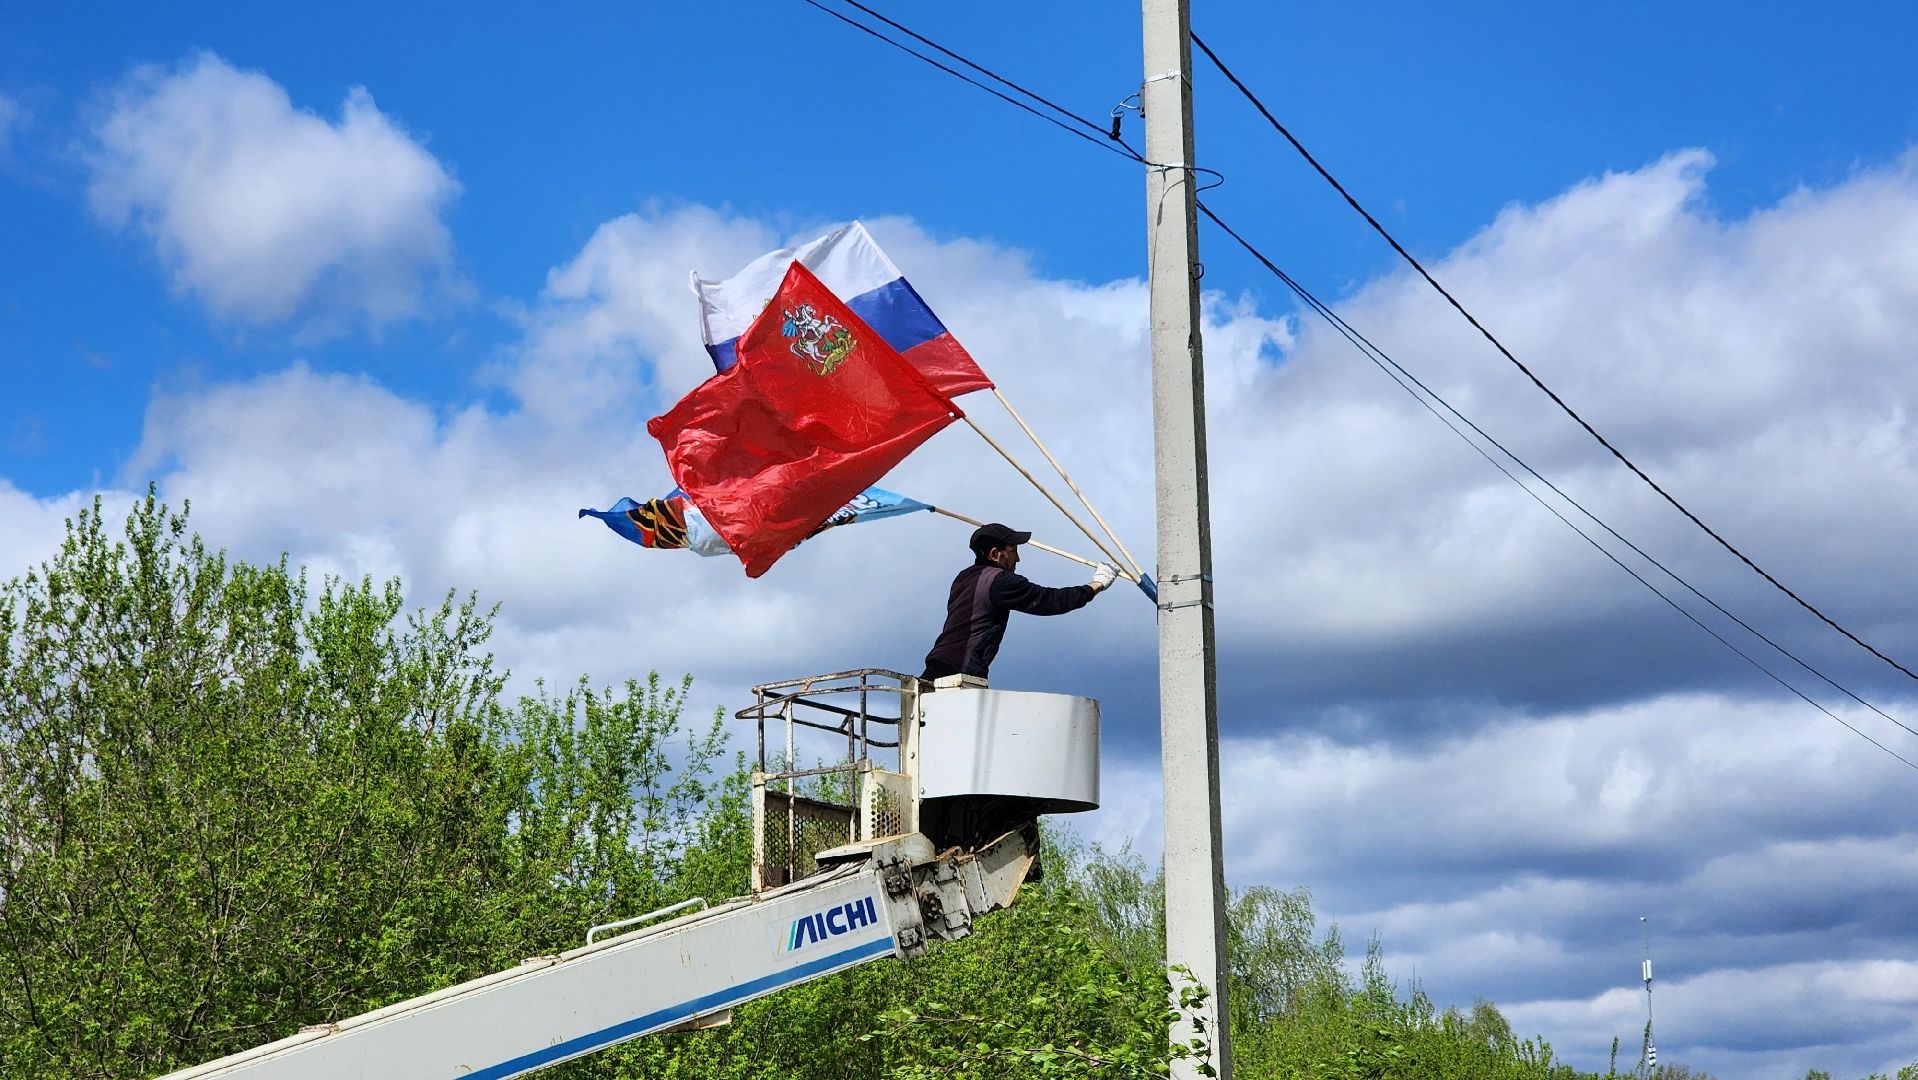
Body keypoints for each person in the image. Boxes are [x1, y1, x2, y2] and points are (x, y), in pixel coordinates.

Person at [921, 522, 1118, 683]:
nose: (1018, 559)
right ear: (995, 554)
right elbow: (1051, 601)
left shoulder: (962, 578)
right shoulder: (1001, 582)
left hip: (936, 666)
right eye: (1013, 550)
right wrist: (1097, 584)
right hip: (960, 673)